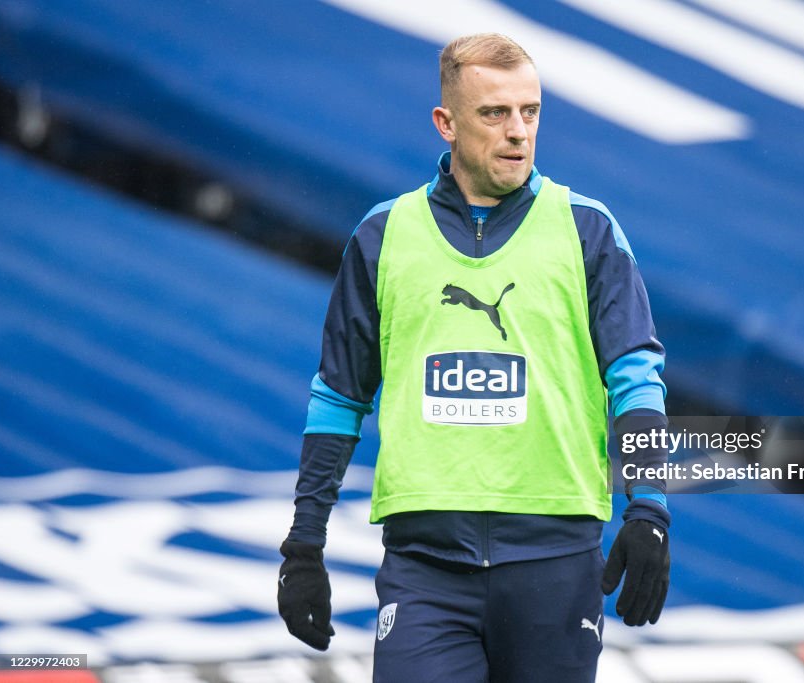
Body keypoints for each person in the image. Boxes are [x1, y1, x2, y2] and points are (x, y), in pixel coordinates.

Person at [277, 33, 671, 682]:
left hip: (556, 564)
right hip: (425, 570)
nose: (518, 131)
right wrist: (304, 544)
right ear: (446, 123)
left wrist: (649, 508)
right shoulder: (383, 237)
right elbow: (339, 397)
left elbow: (636, 381)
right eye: (495, 113)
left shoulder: (588, 230)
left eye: (530, 111)